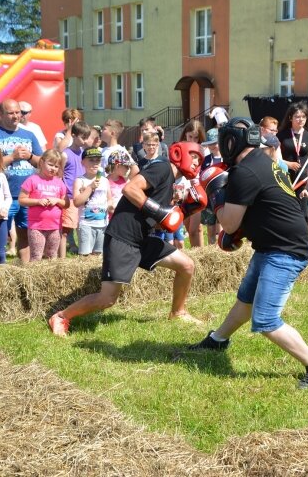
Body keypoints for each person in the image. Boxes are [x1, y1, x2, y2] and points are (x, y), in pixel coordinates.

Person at [189, 117, 308, 390]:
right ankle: (218, 340)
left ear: (230, 143)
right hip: (272, 245)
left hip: (285, 251)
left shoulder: (246, 171)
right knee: (245, 301)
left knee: (265, 319)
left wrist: (215, 195)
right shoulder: (263, 162)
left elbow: (229, 224)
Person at [48, 141, 206, 336]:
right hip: (123, 237)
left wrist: (184, 211)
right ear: (179, 153)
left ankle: (178, 312)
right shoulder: (162, 168)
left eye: (200, 159)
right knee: (107, 299)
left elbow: (157, 221)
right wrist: (160, 212)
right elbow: (130, 189)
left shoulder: (170, 183)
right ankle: (61, 317)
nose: (196, 162)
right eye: (194, 156)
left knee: (187, 266)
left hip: (142, 238)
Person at [0, 99, 43, 263]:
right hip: (2, 195)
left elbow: (42, 163)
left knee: (25, 233)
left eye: (18, 112)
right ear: (0, 114)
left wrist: (29, 156)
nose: (16, 116)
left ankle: (25, 270)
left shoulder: (29, 135)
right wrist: (12, 157)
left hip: (28, 195)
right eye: (11, 113)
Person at [19, 149, 68, 261]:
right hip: (36, 227)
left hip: (55, 226)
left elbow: (66, 204)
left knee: (52, 255)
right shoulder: (32, 180)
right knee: (36, 256)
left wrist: (57, 200)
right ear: (41, 162)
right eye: (50, 164)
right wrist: (37, 201)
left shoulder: (59, 183)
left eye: (56, 166)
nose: (53, 168)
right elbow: (22, 200)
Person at [277, 102, 308, 221]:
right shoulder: (281, 136)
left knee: (304, 212)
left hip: (303, 179)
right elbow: (276, 159)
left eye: (303, 116)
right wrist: (288, 164)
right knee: (286, 211)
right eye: (297, 116)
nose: (301, 119)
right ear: (290, 118)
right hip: (286, 178)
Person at [61, 121, 93, 257]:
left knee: (83, 226)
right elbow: (60, 175)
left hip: (83, 195)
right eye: (83, 137)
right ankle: (62, 257)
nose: (85, 141)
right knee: (66, 228)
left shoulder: (83, 153)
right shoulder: (65, 154)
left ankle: (83, 251)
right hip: (69, 195)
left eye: (87, 137)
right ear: (73, 135)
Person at [73, 147, 110, 256]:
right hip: (86, 224)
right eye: (91, 160)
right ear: (83, 162)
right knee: (85, 255)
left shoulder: (105, 180)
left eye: (97, 160)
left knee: (98, 255)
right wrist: (90, 187)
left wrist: (112, 205)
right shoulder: (80, 180)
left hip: (102, 224)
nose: (95, 163)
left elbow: (109, 199)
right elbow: (76, 202)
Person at [179, 120, 207, 248]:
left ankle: (199, 255)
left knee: (194, 229)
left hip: (197, 188)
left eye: (196, 137)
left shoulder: (203, 149)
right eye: (190, 136)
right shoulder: (179, 147)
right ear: (185, 134)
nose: (193, 140)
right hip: (183, 188)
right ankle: (197, 253)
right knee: (189, 226)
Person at [200, 128, 224, 245]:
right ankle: (211, 248)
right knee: (210, 227)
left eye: (215, 143)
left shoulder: (227, 158)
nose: (213, 146)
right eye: (210, 144)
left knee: (221, 228)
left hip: (223, 196)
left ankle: (221, 249)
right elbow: (202, 176)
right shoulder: (206, 160)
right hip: (209, 196)